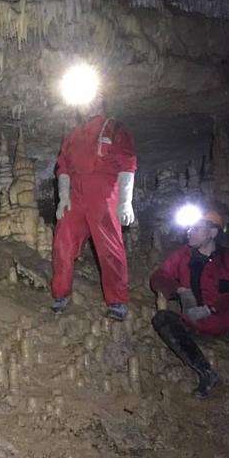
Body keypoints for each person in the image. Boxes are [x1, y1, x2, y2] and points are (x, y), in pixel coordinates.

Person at [150, 209, 229, 397]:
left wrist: (212, 308)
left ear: (213, 233)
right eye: (189, 228)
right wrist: (180, 290)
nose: (190, 232)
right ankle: (206, 373)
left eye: (196, 228)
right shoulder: (182, 256)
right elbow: (158, 277)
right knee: (162, 319)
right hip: (195, 324)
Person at [50, 94, 137, 321]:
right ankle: (60, 294)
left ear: (100, 102)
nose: (87, 105)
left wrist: (125, 201)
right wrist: (62, 196)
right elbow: (63, 168)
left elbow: (127, 164)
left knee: (110, 248)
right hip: (76, 194)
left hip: (104, 192)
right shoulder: (72, 135)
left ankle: (117, 301)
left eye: (92, 100)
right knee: (63, 242)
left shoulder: (115, 129)